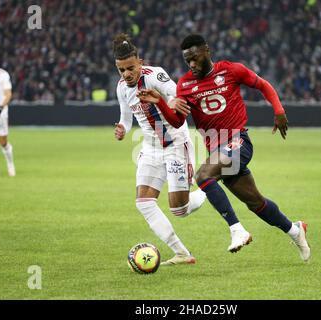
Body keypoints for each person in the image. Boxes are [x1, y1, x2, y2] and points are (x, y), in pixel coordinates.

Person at [138, 34, 310, 261]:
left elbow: (263, 85)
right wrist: (160, 101)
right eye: (187, 60)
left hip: (239, 141)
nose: (191, 64)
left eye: (195, 58)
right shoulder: (185, 85)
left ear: (207, 51)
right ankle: (296, 230)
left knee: (204, 174)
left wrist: (278, 111)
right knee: (256, 203)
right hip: (219, 152)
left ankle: (237, 229)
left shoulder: (231, 70)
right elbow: (178, 121)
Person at [113, 34, 206, 266]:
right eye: (121, 70)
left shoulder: (156, 75)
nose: (126, 74)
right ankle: (182, 253)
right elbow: (125, 118)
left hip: (175, 144)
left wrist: (171, 101)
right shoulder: (122, 88)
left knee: (180, 210)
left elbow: (177, 96)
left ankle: (208, 189)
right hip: (151, 148)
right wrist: (122, 128)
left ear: (140, 62)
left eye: (130, 68)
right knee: (143, 202)